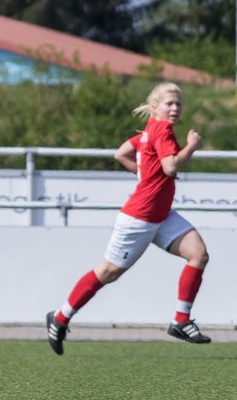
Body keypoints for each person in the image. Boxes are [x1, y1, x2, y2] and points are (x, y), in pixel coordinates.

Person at [46, 82, 212, 354]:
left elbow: (121, 153)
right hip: (140, 218)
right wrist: (192, 146)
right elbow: (170, 167)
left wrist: (144, 175)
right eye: (168, 103)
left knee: (198, 254)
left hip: (160, 214)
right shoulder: (162, 130)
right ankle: (60, 317)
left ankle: (180, 321)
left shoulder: (149, 131)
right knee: (108, 273)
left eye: (178, 103)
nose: (174, 108)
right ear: (155, 106)